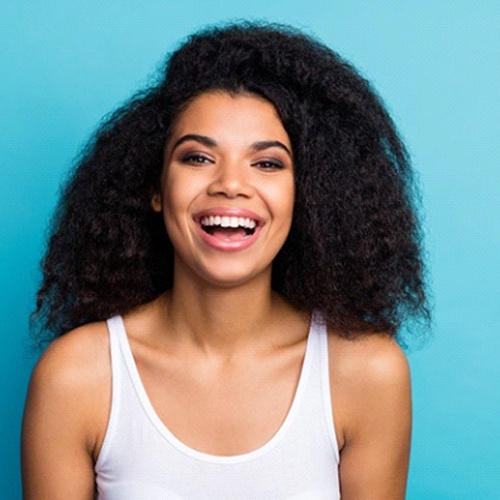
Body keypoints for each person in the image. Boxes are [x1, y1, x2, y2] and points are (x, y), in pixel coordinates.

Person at [22, 22, 428, 499]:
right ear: (154, 187)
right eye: (197, 158)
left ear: (308, 195)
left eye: (268, 163)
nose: (230, 184)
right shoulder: (77, 378)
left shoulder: (366, 374)